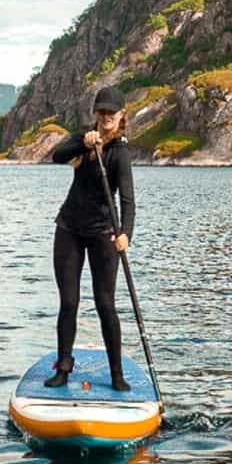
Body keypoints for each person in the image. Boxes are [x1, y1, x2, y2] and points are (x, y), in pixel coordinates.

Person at [44, 86, 137, 391]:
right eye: (101, 112)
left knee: (105, 304)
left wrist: (126, 233)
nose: (106, 116)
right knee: (69, 302)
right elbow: (57, 156)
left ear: (121, 115)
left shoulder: (120, 152)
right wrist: (82, 146)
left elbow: (128, 200)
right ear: (95, 114)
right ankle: (63, 368)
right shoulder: (83, 138)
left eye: (111, 112)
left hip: (103, 234)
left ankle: (116, 374)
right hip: (69, 228)